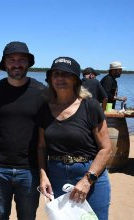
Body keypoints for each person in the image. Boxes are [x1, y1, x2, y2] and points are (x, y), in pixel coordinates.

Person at [37, 57, 112, 220]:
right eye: (55, 74)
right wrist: (43, 175)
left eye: (66, 74)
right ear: (50, 79)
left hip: (91, 175)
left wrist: (87, 180)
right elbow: (41, 147)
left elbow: (106, 148)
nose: (60, 78)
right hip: (56, 174)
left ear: (75, 80)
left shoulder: (90, 106)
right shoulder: (44, 108)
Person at [0, 41, 45, 219]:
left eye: (21, 59)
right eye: (11, 59)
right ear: (5, 64)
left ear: (28, 63)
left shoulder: (41, 92)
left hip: (30, 170)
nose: (16, 64)